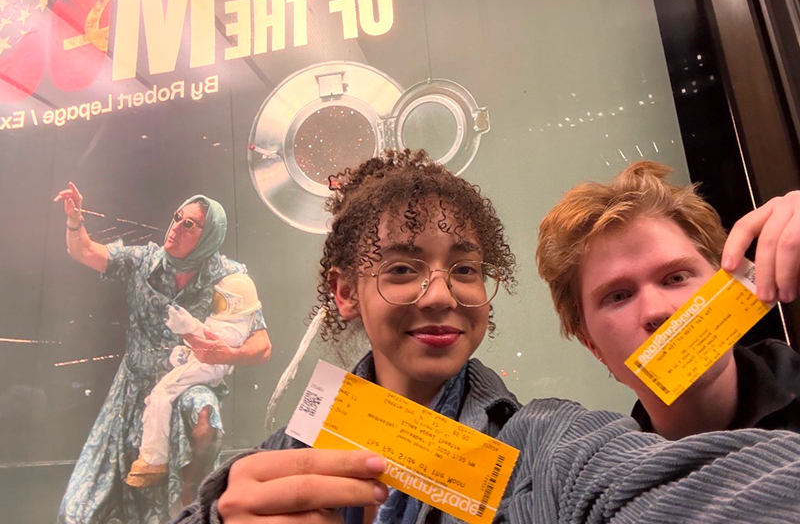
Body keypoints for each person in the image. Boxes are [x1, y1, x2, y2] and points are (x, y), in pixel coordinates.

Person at [171, 148, 522, 524]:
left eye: (466, 269)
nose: (440, 294)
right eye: (402, 268)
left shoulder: (537, 444)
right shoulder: (285, 454)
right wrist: (217, 517)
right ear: (346, 293)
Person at [53, 184, 272, 523]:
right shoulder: (144, 261)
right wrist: (74, 220)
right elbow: (85, 252)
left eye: (189, 224)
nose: (176, 227)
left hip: (187, 382)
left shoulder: (229, 278)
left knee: (204, 414)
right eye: (177, 218)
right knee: (80, 509)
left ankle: (196, 498)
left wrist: (226, 353)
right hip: (133, 390)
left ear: (209, 234)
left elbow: (262, 347)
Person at [536, 160, 800, 439]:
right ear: (592, 346)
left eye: (676, 278)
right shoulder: (610, 477)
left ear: (725, 282)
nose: (658, 311)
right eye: (618, 296)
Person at [127, 273, 264, 488]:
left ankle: (154, 460)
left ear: (235, 304)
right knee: (161, 393)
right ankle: (153, 455)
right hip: (201, 363)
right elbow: (201, 339)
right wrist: (182, 351)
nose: (216, 303)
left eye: (222, 300)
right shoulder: (225, 320)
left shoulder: (234, 328)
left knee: (163, 392)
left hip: (207, 367)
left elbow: (208, 341)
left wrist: (188, 326)